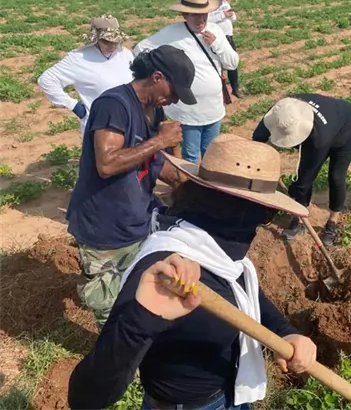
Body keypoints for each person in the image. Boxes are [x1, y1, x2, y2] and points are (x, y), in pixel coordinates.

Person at [68, 135, 317, 410]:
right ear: (244, 212)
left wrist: (285, 332)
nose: (260, 226)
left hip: (230, 396)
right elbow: (86, 397)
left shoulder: (217, 251)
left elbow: (244, 289)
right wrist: (140, 319)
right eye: (266, 215)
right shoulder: (166, 270)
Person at [66, 45, 197, 327]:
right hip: (104, 224)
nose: (174, 100)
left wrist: (185, 181)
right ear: (157, 77)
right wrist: (160, 141)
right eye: (174, 92)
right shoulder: (114, 104)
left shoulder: (154, 111)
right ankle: (109, 351)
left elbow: (152, 162)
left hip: (136, 218)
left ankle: (132, 338)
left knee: (135, 288)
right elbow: (107, 164)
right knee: (108, 304)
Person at [134, 0, 239, 163]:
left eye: (204, 14)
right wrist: (160, 72)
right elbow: (139, 49)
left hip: (214, 106)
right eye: (195, 15)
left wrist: (217, 45)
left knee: (211, 154)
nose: (201, 19)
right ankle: (190, 182)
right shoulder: (171, 33)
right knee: (190, 156)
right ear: (185, 15)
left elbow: (232, 63)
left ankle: (206, 181)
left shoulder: (215, 31)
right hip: (187, 111)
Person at [252, 94, 351, 246]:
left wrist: (298, 193)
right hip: (328, 121)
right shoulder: (281, 111)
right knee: (302, 180)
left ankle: (330, 221)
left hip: (348, 127)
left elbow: (306, 178)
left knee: (336, 176)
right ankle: (297, 211)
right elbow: (257, 139)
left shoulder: (318, 139)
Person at [37, 15, 134, 135]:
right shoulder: (78, 58)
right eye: (106, 41)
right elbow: (47, 79)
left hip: (130, 122)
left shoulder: (125, 54)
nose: (112, 45)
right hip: (100, 128)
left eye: (116, 41)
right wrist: (74, 106)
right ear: (96, 38)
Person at [207, 0, 243, 99]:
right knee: (217, 65)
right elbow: (207, 20)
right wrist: (223, 15)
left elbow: (234, 19)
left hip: (228, 36)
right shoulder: (207, 4)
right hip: (215, 37)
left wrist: (231, 14)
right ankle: (220, 92)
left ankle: (235, 88)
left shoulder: (224, 2)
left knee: (232, 62)